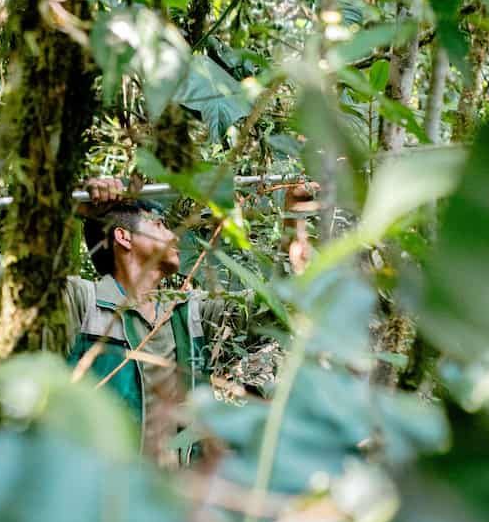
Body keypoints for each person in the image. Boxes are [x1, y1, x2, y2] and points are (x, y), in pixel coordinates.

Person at [65, 177, 317, 465]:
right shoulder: (83, 302)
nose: (174, 237)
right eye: (159, 225)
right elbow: (25, 282)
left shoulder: (189, 313)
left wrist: (295, 215)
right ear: (124, 237)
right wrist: (67, 205)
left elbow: (279, 307)